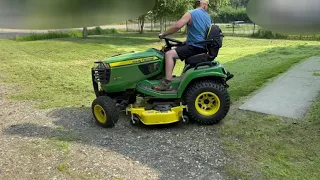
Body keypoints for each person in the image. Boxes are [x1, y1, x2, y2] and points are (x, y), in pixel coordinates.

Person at [153, 0, 212, 91]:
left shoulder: (191, 13)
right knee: (173, 52)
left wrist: (164, 34)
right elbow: (200, 34)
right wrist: (185, 42)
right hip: (200, 46)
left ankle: (167, 82)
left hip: (195, 47)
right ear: (203, 5)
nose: (207, 7)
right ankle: (168, 76)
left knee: (169, 54)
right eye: (207, 5)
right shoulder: (207, 17)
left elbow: (177, 26)